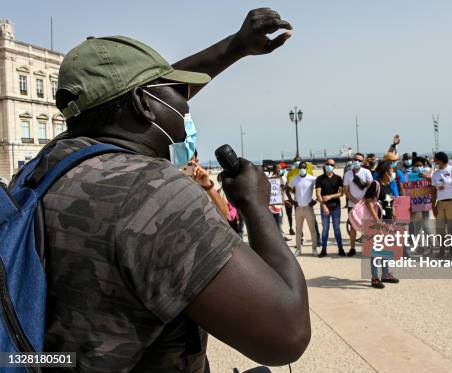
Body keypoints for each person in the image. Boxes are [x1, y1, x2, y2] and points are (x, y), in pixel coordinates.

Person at [23, 8, 310, 371]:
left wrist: (235, 46)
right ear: (145, 104)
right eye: (177, 92)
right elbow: (286, 335)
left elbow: (122, 96)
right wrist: (255, 204)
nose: (186, 103)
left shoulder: (45, 169)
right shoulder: (150, 193)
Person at [364, 162, 400, 289]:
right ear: (386, 172)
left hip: (388, 222)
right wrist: (376, 220)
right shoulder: (375, 184)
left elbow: (390, 202)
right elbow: (368, 202)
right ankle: (375, 277)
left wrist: (394, 213)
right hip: (377, 222)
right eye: (391, 170)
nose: (393, 173)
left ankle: (385, 274)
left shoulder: (389, 186)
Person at [432, 152, 452, 257]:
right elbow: (433, 191)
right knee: (440, 228)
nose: (434, 160)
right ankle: (441, 249)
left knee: (451, 227)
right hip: (440, 203)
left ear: (440, 160)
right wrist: (433, 206)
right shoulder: (435, 174)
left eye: (435, 159)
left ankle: (451, 250)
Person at [343, 152, 373, 256]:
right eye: (355, 159)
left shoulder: (367, 172)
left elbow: (371, 187)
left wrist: (364, 200)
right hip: (352, 205)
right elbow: (346, 190)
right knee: (353, 227)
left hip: (365, 204)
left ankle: (368, 248)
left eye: (359, 160)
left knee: (368, 227)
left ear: (363, 161)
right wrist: (355, 201)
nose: (357, 162)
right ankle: (352, 248)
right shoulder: (347, 174)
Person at [315, 159, 345, 257]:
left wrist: (330, 196)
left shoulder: (338, 178)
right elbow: (318, 193)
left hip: (336, 207)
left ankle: (340, 248)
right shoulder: (319, 179)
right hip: (324, 207)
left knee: (337, 229)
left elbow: (341, 193)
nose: (329, 166)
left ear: (334, 166)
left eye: (331, 164)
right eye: (327, 164)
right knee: (325, 229)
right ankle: (324, 250)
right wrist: (323, 206)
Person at [288, 161, 318, 256]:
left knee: (312, 229)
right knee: (298, 230)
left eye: (304, 167)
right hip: (298, 208)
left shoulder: (312, 179)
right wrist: (292, 201)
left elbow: (320, 190)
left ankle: (314, 249)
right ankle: (298, 250)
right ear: (298, 168)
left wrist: (316, 200)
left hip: (308, 208)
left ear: (306, 168)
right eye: (300, 167)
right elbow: (287, 189)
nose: (302, 169)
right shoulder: (294, 179)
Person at [405, 157, 434, 254]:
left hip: (425, 204)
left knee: (425, 226)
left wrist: (426, 176)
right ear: (413, 166)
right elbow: (405, 188)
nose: (419, 167)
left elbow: (435, 184)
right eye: (417, 165)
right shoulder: (409, 175)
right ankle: (419, 246)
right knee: (416, 226)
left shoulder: (428, 174)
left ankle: (431, 246)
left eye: (421, 165)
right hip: (415, 204)